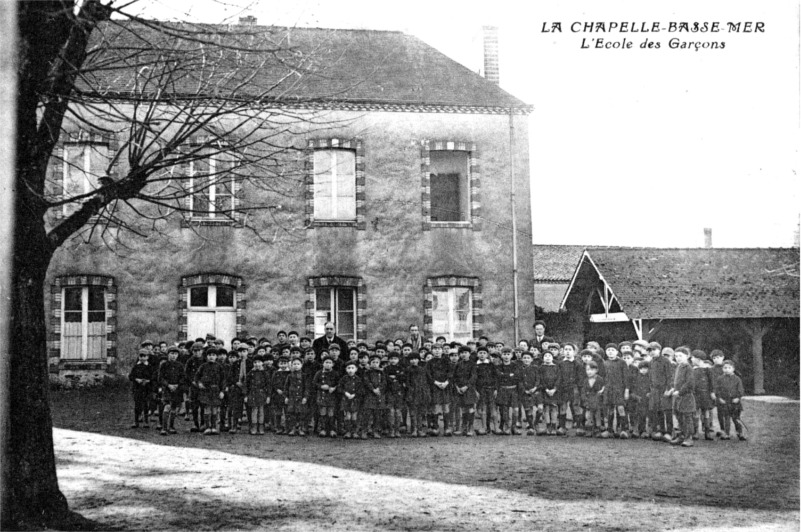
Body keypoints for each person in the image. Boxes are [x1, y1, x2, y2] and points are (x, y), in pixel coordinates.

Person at [713, 360, 746, 441]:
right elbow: (717, 390)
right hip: (725, 402)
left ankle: (740, 433)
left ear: (733, 369)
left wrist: (738, 398)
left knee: (736, 418)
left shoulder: (737, 379)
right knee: (726, 418)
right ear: (722, 369)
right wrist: (720, 398)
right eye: (725, 368)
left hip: (735, 402)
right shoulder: (720, 379)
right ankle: (726, 434)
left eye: (729, 368)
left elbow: (741, 390)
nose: (727, 369)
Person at [195, 347, 226, 435]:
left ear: (216, 356)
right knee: (207, 408)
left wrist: (222, 391)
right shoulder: (203, 366)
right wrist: (199, 383)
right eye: (209, 355)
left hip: (216, 390)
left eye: (213, 355)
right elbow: (197, 377)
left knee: (215, 409)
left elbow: (223, 380)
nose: (211, 357)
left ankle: (214, 427)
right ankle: (207, 427)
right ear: (206, 356)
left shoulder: (219, 366)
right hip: (206, 391)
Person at [670, 347, 696, 447]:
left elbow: (689, 383)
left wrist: (680, 392)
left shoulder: (688, 368)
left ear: (687, 356)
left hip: (686, 397)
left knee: (687, 417)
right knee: (679, 417)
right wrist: (673, 388)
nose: (678, 358)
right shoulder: (678, 367)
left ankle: (688, 438)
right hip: (678, 398)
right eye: (676, 356)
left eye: (680, 356)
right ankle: (681, 436)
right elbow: (676, 381)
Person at [647, 342, 673, 442]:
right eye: (650, 350)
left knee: (667, 411)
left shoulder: (666, 361)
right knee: (658, 410)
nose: (652, 352)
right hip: (655, 390)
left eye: (654, 350)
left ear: (659, 349)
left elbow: (670, 376)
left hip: (664, 389)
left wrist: (668, 389)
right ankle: (661, 430)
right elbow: (650, 377)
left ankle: (669, 432)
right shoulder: (651, 362)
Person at [604, 343, 630, 438]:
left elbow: (626, 378)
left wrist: (626, 390)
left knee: (621, 408)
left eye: (612, 350)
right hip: (608, 389)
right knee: (610, 409)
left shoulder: (622, 362)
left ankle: (623, 430)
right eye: (608, 350)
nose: (610, 352)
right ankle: (610, 430)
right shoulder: (605, 363)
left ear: (617, 352)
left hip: (619, 389)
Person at [426, 343, 452, 436]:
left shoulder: (446, 361)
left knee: (445, 407)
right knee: (436, 407)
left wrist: (446, 382)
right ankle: (436, 428)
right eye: (435, 349)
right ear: (432, 351)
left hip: (445, 387)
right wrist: (436, 383)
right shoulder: (429, 363)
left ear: (442, 350)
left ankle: (447, 428)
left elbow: (450, 373)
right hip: (435, 387)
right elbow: (428, 375)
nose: (437, 351)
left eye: (439, 349)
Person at [158, 346, 185, 435]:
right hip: (167, 389)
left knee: (174, 408)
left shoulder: (180, 365)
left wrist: (178, 385)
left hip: (177, 389)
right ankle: (164, 428)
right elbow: (160, 378)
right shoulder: (164, 365)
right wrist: (168, 385)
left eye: (176, 354)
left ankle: (171, 426)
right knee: (167, 406)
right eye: (172, 354)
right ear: (168, 354)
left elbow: (183, 377)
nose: (173, 356)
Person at [557, 342, 583, 436]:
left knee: (576, 407)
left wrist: (578, 389)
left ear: (574, 352)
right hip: (563, 388)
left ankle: (579, 427)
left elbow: (580, 378)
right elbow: (558, 377)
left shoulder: (578, 364)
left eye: (570, 350)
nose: (567, 352)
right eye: (566, 350)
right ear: (563, 351)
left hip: (574, 388)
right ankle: (562, 427)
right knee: (563, 407)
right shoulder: (560, 364)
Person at [452, 346, 478, 437]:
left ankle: (470, 427)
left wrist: (466, 386)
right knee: (463, 408)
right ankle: (464, 427)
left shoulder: (472, 364)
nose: (463, 354)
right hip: (460, 390)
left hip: (469, 389)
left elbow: (474, 377)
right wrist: (457, 387)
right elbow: (454, 377)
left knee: (470, 408)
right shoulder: (458, 364)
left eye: (466, 352)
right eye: (462, 353)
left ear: (469, 354)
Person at [405, 352, 430, 437]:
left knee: (420, 412)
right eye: (411, 359)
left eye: (415, 359)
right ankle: (413, 430)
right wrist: (410, 390)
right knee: (412, 412)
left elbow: (425, 382)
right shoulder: (408, 370)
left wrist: (425, 392)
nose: (413, 361)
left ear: (418, 360)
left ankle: (420, 430)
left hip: (421, 393)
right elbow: (407, 382)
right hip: (411, 393)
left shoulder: (422, 369)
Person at [691, 350, 715, 440]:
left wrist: (712, 392)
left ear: (698, 359)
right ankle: (695, 432)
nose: (691, 359)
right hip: (696, 394)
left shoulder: (708, 369)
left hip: (705, 394)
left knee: (706, 412)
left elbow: (712, 382)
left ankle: (707, 432)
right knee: (695, 412)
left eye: (693, 358)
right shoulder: (693, 370)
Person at [313, 355, 340, 437]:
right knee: (323, 412)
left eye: (330, 363)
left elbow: (339, 383)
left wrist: (334, 388)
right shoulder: (319, 373)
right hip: (322, 396)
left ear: (333, 364)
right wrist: (321, 386)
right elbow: (314, 383)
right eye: (326, 362)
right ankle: (323, 429)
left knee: (331, 413)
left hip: (331, 396)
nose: (328, 364)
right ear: (323, 363)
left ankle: (332, 429)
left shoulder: (335, 373)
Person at [282, 357, 309, 436]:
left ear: (301, 365)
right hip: (292, 398)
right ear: (291, 365)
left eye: (298, 364)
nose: (296, 366)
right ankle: (292, 428)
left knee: (301, 414)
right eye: (294, 364)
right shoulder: (289, 376)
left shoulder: (304, 376)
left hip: (300, 398)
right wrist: (286, 397)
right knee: (292, 414)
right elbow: (286, 387)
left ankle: (301, 428)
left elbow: (307, 388)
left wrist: (305, 397)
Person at [474, 345, 497, 435]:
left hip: (491, 389)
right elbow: (474, 379)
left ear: (487, 354)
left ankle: (496, 427)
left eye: (484, 353)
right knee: (483, 408)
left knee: (493, 408)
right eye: (480, 353)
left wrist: (495, 389)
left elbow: (495, 377)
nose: (482, 355)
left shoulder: (491, 365)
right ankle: (484, 427)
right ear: (477, 354)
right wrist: (475, 390)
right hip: (481, 390)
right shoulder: (475, 365)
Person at [361, 354, 386, 439]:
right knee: (367, 414)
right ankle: (364, 431)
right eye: (373, 362)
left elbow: (384, 382)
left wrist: (379, 389)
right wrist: (373, 389)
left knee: (377, 414)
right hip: (369, 395)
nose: (375, 364)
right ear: (370, 363)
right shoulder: (367, 372)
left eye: (377, 362)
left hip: (378, 395)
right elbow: (366, 382)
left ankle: (375, 431)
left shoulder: (381, 372)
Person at [245, 355, 271, 435]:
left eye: (259, 362)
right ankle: (254, 427)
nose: (257, 364)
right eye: (255, 362)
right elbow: (246, 385)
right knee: (254, 411)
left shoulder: (265, 373)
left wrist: (268, 396)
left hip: (262, 394)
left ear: (262, 363)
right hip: (252, 394)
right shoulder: (250, 373)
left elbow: (269, 385)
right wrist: (246, 395)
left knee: (261, 411)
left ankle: (261, 427)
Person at [129, 349, 154, 428]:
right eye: (141, 356)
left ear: (147, 357)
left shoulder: (149, 367)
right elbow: (131, 376)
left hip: (146, 388)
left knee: (146, 404)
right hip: (137, 388)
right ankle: (136, 421)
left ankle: (146, 421)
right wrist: (137, 379)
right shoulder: (136, 366)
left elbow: (153, 376)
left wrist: (148, 381)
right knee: (137, 405)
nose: (142, 358)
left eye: (144, 356)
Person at [184, 342, 206, 432]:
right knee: (194, 406)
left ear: (202, 351)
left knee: (203, 406)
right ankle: (195, 424)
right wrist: (192, 381)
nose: (197, 353)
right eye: (195, 351)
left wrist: (202, 382)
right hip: (193, 386)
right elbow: (186, 373)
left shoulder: (205, 360)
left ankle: (203, 424)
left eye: (199, 351)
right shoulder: (190, 361)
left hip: (203, 386)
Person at [339, 360, 363, 439]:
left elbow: (361, 389)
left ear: (356, 369)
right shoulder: (344, 379)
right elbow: (339, 388)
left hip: (355, 400)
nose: (350, 370)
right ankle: (348, 431)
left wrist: (355, 394)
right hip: (346, 400)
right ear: (346, 369)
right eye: (348, 368)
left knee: (354, 416)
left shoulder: (358, 379)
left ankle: (355, 431)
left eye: (352, 368)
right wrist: (345, 393)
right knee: (347, 416)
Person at [538, 349, 560, 435]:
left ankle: (554, 426)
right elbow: (540, 379)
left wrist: (554, 389)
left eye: (549, 356)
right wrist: (546, 389)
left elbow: (559, 379)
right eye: (545, 356)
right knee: (546, 408)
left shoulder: (556, 367)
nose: (547, 358)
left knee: (554, 408)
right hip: (545, 391)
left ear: (552, 357)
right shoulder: (541, 368)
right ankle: (548, 426)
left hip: (554, 391)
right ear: (543, 358)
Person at [384, 351, 406, 438]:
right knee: (390, 411)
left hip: (399, 392)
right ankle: (391, 430)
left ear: (398, 359)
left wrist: (395, 377)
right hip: (389, 392)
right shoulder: (386, 369)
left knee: (398, 411)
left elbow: (403, 377)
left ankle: (397, 430)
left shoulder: (401, 368)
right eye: (391, 359)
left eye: (395, 359)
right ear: (389, 360)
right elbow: (385, 378)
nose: (393, 360)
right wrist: (392, 378)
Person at [581, 359, 605, 437]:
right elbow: (583, 392)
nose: (589, 372)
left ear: (596, 370)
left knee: (597, 416)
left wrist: (601, 394)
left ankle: (597, 429)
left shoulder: (600, 379)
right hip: (589, 402)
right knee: (588, 416)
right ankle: (589, 430)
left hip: (597, 402)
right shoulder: (585, 381)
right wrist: (585, 401)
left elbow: (602, 390)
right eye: (587, 370)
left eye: (591, 369)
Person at [223, 350, 244, 434]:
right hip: (229, 388)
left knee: (236, 407)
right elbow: (228, 378)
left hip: (238, 389)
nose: (232, 359)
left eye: (234, 357)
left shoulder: (239, 366)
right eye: (230, 357)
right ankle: (229, 424)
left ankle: (235, 425)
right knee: (229, 408)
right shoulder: (226, 366)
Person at [518, 351, 538, 435]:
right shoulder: (519, 369)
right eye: (524, 358)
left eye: (528, 358)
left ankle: (535, 423)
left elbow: (538, 379)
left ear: (532, 359)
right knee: (528, 409)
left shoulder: (535, 368)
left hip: (535, 391)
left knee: (539, 409)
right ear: (522, 359)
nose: (526, 360)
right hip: (525, 392)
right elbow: (519, 381)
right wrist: (524, 390)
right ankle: (531, 427)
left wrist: (535, 387)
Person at [271, 356, 290, 434]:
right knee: (278, 412)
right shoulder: (276, 373)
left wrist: (286, 392)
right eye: (281, 363)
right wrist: (277, 389)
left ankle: (287, 427)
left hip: (286, 395)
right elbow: (273, 383)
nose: (283, 365)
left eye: (285, 363)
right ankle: (278, 427)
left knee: (287, 412)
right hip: (277, 395)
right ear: (278, 364)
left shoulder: (290, 373)